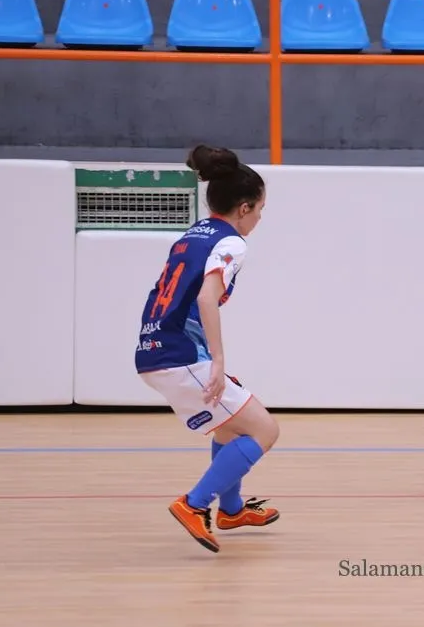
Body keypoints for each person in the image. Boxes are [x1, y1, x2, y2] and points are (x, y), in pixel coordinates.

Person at [135, 145, 280, 552]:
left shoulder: (195, 232)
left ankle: (231, 510)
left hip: (154, 347)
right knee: (265, 430)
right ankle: (194, 504)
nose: (260, 218)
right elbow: (205, 298)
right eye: (260, 209)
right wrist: (217, 360)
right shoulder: (232, 242)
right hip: (179, 353)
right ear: (244, 208)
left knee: (232, 427)